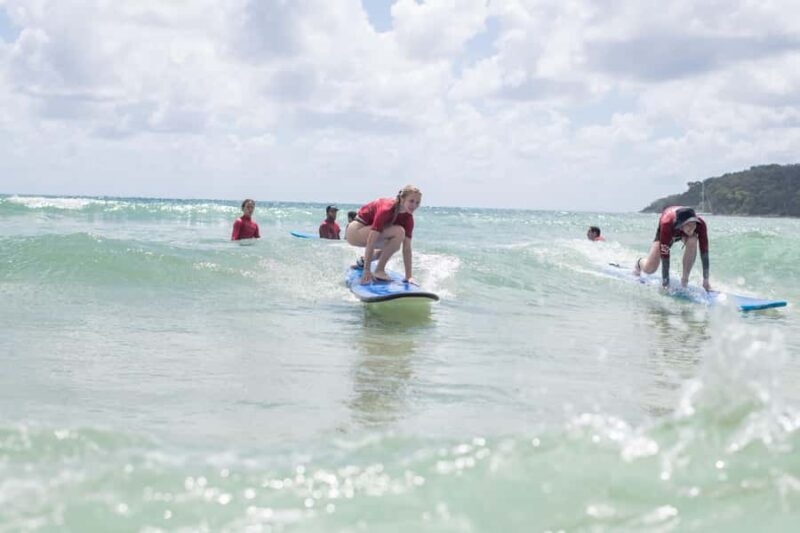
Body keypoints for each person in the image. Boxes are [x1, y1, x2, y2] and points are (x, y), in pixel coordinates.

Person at [345, 185, 422, 285]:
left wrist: (409, 276)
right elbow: (371, 241)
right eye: (411, 201)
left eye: (417, 202)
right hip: (355, 231)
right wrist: (367, 270)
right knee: (399, 232)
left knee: (394, 246)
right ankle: (379, 270)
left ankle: (363, 261)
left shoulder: (408, 218)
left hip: (367, 232)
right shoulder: (386, 209)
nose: (414, 205)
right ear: (402, 199)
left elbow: (407, 248)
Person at [634, 206, 710, 291]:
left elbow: (704, 251)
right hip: (668, 229)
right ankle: (639, 263)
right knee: (650, 268)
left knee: (693, 240)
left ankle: (684, 281)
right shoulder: (666, 224)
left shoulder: (700, 224)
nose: (692, 227)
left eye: (693, 223)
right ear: (681, 225)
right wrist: (665, 284)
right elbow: (665, 256)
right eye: (688, 224)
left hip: (682, 230)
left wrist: (706, 280)